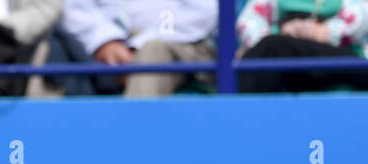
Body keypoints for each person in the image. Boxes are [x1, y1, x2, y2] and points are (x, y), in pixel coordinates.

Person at [47, 0, 216, 97]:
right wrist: (106, 40)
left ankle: (133, 144)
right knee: (50, 51)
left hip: (181, 40)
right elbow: (75, 8)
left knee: (152, 52)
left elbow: (202, 13)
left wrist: (137, 46)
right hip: (104, 43)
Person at [237, 0, 368, 93]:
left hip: (340, 55)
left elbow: (361, 14)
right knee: (269, 49)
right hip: (288, 52)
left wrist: (324, 30)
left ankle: (237, 118)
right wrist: (285, 31)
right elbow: (249, 21)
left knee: (271, 47)